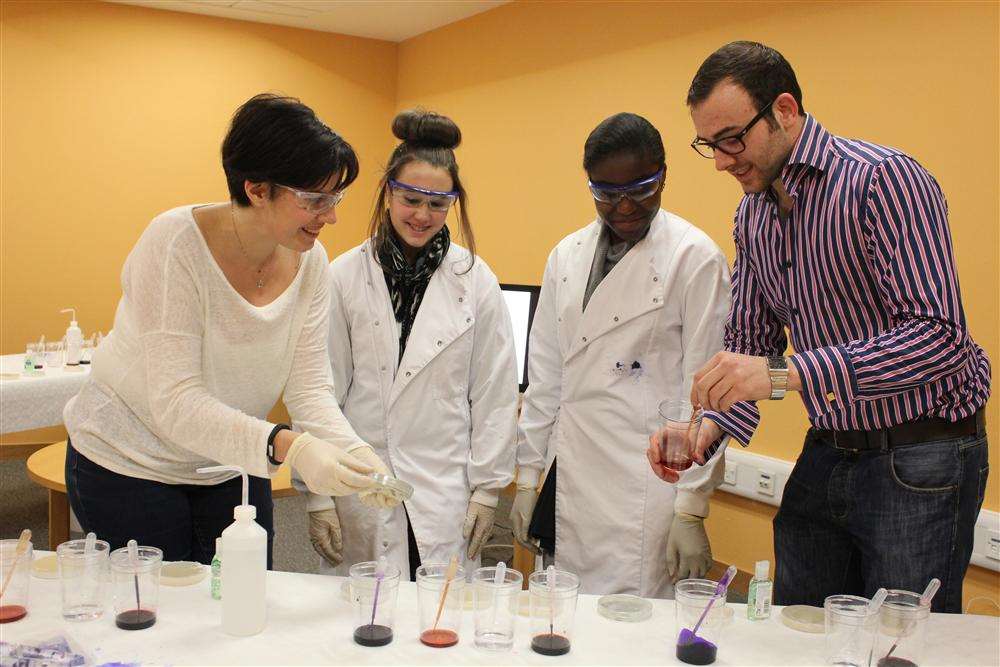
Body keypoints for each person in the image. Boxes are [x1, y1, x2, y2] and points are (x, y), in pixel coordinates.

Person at [652, 41, 990, 613]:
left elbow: (941, 340)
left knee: (899, 641)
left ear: (785, 110)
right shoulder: (753, 213)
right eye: (709, 145)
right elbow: (751, 346)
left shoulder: (884, 182)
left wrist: (785, 374)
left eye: (733, 138)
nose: (722, 161)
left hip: (921, 453)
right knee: (798, 626)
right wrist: (707, 429)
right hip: (832, 447)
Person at [64, 94, 394, 568]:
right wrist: (293, 446)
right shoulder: (175, 244)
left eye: (335, 198)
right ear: (257, 188)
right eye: (315, 200)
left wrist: (357, 454)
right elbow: (176, 403)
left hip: (232, 459)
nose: (332, 215)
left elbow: (309, 389)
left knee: (244, 601)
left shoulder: (310, 263)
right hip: (132, 460)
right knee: (160, 617)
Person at [511, 113, 731, 597]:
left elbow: (709, 397)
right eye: (606, 194)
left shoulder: (695, 259)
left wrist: (692, 506)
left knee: (631, 634)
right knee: (560, 621)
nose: (625, 206)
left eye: (641, 188)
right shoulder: (565, 256)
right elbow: (547, 377)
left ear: (664, 175)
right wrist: (528, 477)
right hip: (570, 475)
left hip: (644, 487)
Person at [298, 109, 518, 580]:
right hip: (361, 478)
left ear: (453, 204)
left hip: (445, 488)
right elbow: (319, 388)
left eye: (437, 204)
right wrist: (317, 494)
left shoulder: (475, 281)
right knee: (363, 624)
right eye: (410, 199)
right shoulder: (343, 275)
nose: (422, 215)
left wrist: (486, 491)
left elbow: (495, 394)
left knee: (439, 626)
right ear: (388, 194)